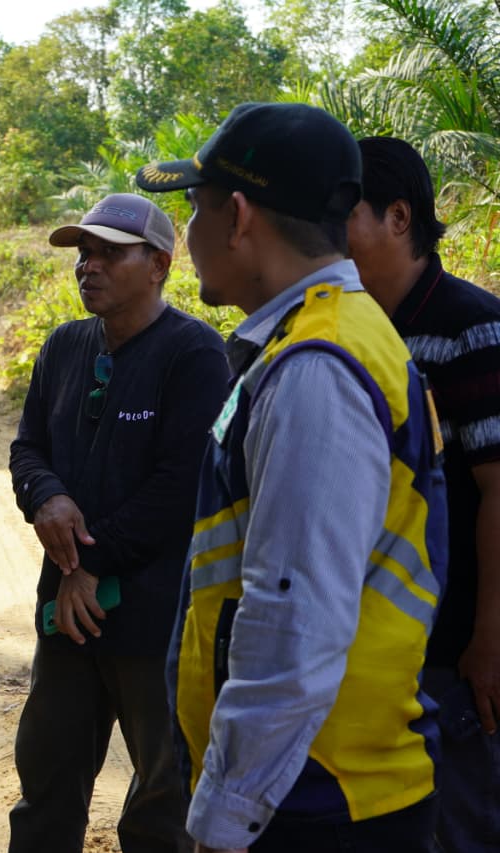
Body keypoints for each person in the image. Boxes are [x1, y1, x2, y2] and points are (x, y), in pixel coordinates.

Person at [136, 102, 447, 851]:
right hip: (316, 783)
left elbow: (293, 623)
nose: (188, 234)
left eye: (196, 209)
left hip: (315, 798)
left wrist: (226, 819)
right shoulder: (326, 338)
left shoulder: (317, 367)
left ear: (239, 217)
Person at [7, 194, 229, 852]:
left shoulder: (195, 354)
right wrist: (45, 496)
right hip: (68, 617)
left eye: (110, 253)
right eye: (84, 253)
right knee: (46, 784)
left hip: (156, 621)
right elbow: (28, 446)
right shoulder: (65, 346)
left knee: (163, 800)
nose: (89, 266)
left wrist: (90, 563)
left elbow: (181, 487)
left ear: (159, 264)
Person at [346, 135, 500, 852]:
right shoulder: (351, 329)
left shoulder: (471, 326)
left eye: (343, 217)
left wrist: (489, 639)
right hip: (376, 647)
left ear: (399, 218)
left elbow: (498, 490)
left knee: (461, 824)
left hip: (454, 649)